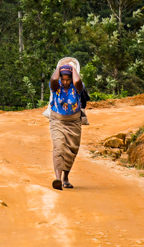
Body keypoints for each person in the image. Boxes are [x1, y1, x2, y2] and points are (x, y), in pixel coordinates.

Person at [48, 60, 84, 190]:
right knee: (59, 146)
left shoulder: (77, 87)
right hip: (57, 120)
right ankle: (57, 179)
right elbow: (53, 79)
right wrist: (59, 68)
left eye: (67, 80)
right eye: (62, 80)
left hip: (74, 121)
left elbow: (78, 83)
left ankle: (65, 178)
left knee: (71, 150)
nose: (65, 82)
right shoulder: (55, 86)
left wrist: (73, 68)